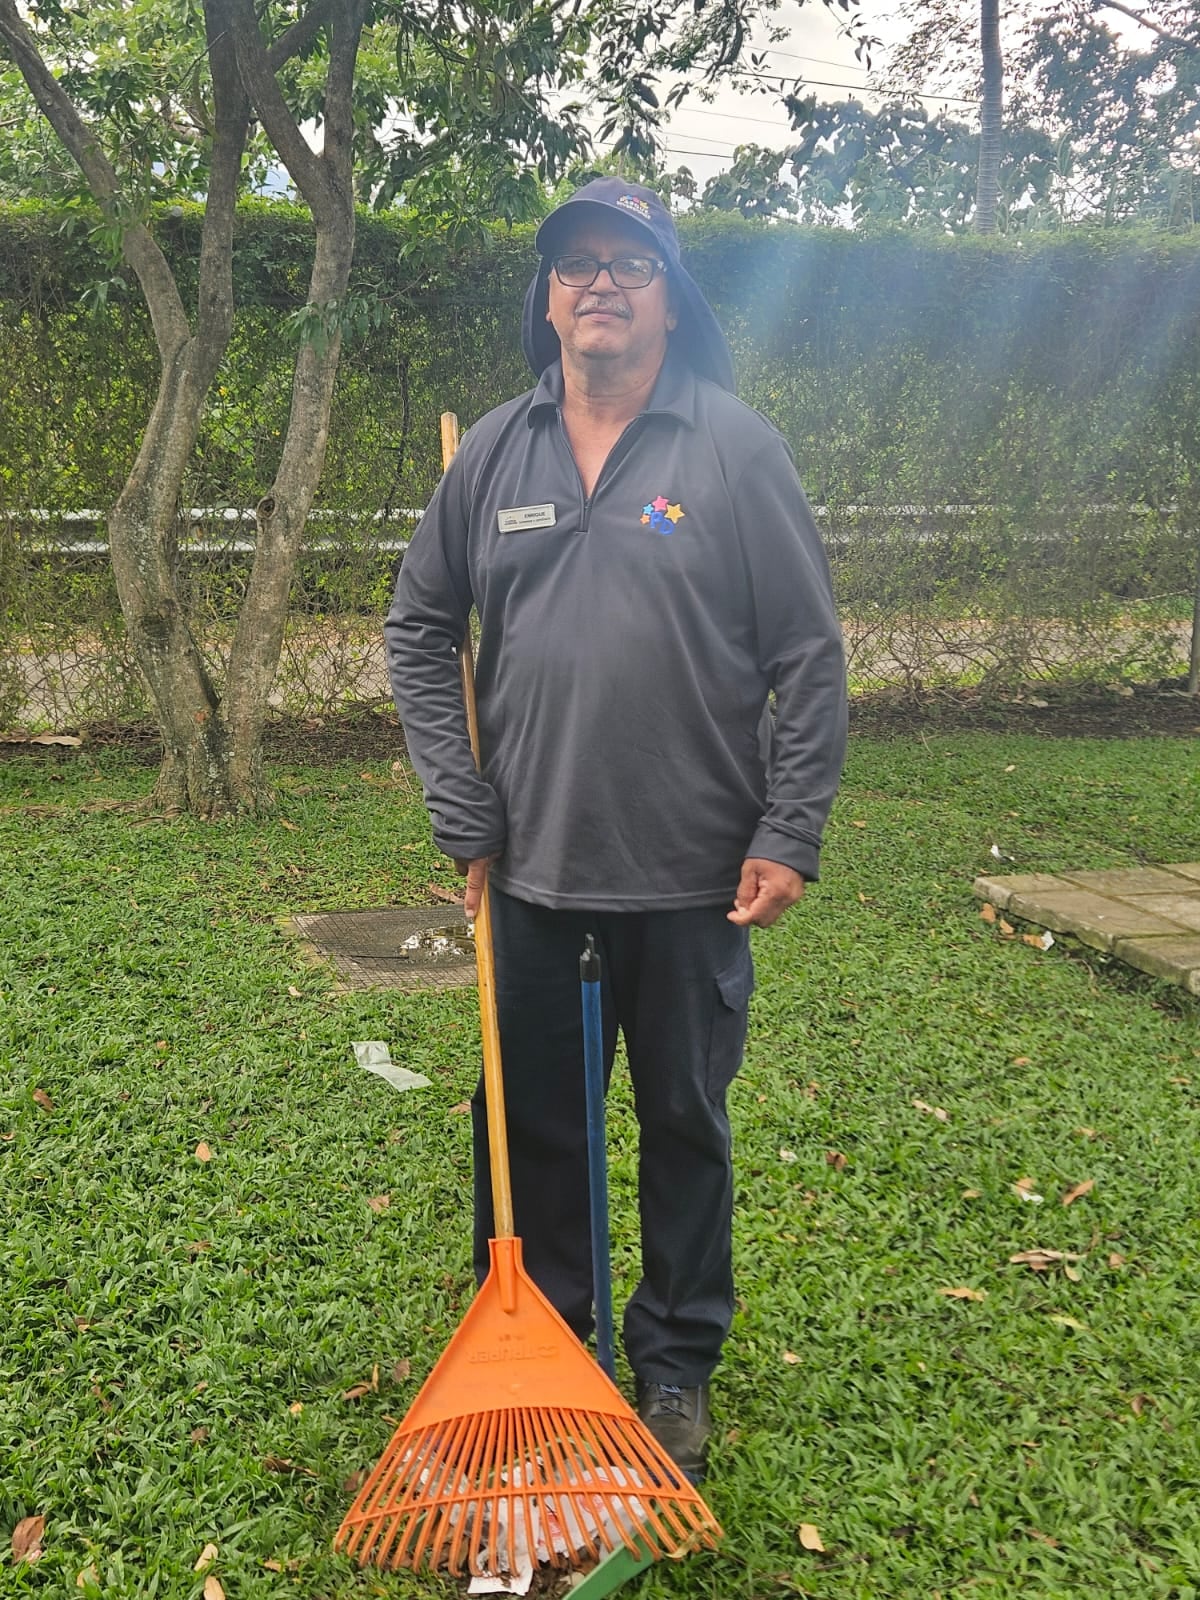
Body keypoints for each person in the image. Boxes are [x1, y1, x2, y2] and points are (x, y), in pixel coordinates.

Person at [384, 178, 847, 1484]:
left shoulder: (735, 450)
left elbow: (808, 657)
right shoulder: (493, 454)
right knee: (527, 1127)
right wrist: (457, 801)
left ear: (669, 297)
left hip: (699, 873)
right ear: (549, 298)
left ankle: (678, 1363)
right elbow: (420, 628)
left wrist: (790, 827)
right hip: (529, 872)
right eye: (575, 263)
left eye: (628, 264)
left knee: (685, 1121)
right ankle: (542, 1339)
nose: (599, 282)